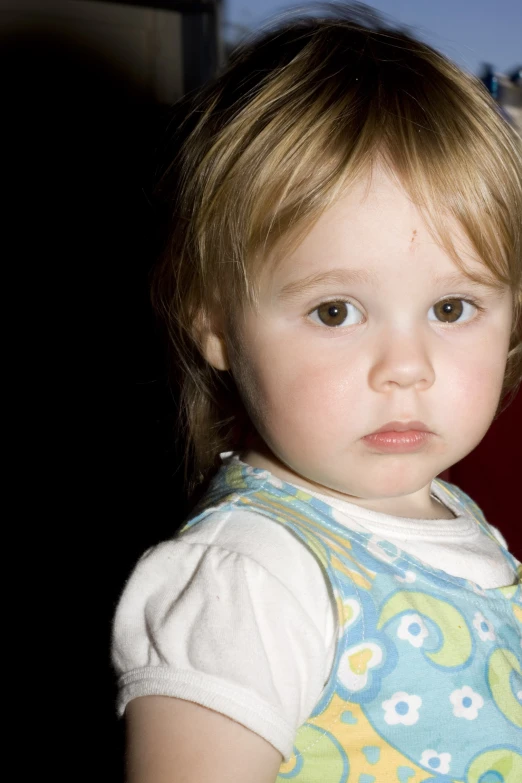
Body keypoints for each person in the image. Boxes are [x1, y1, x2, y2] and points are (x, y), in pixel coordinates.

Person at [112, 6, 522, 782]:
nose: (408, 366)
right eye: (335, 311)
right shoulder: (253, 577)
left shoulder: (450, 515)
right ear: (216, 325)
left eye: (451, 308)